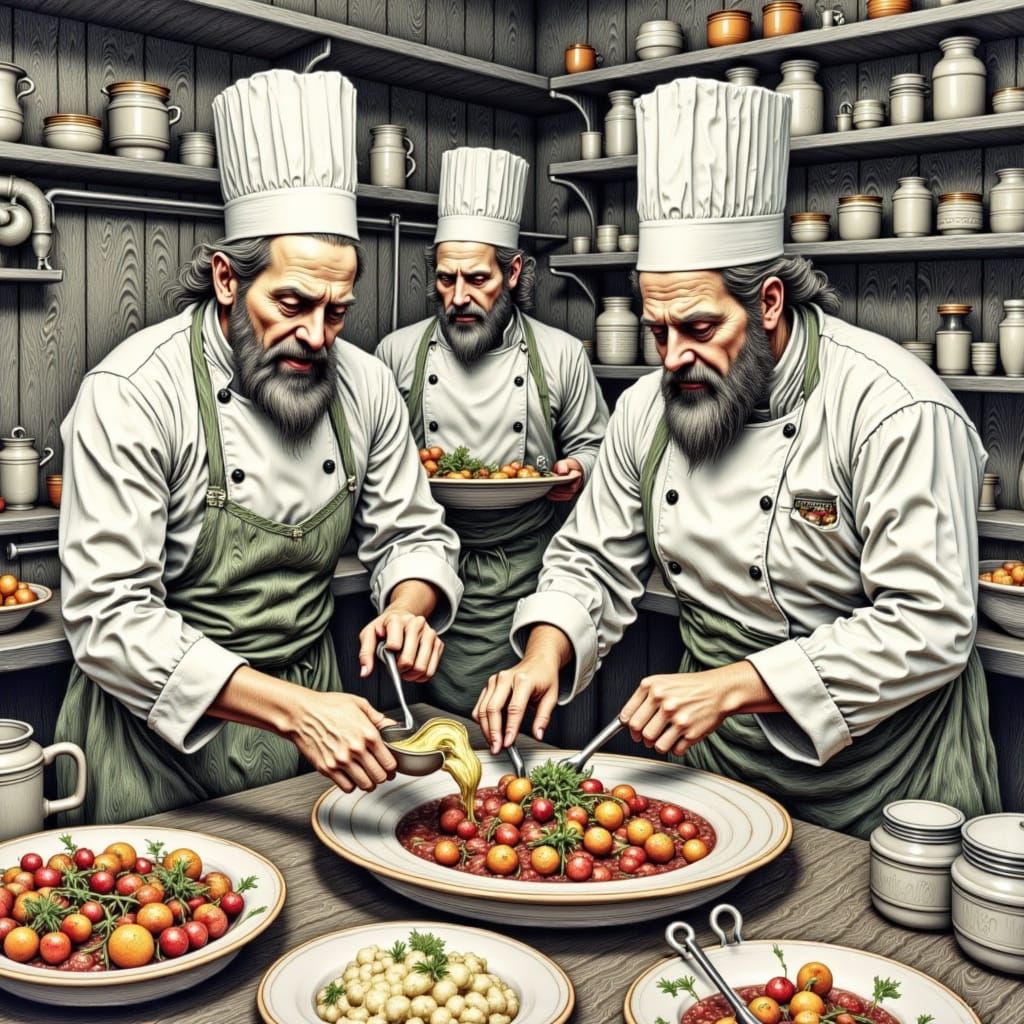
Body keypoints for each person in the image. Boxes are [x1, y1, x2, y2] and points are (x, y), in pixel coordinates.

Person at [473, 77, 1001, 838]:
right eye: (659, 332)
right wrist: (544, 655)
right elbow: (591, 559)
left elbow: (929, 624)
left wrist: (738, 684)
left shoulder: (892, 407)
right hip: (725, 763)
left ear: (770, 305)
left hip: (891, 776)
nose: (674, 358)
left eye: (696, 327)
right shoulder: (649, 410)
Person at [55, 69, 462, 825]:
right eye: (293, 303)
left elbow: (413, 530)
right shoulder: (135, 393)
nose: (317, 335)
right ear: (225, 280)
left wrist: (410, 602)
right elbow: (110, 620)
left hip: (312, 738)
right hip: (155, 751)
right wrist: (294, 709)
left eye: (337, 311)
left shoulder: (365, 387)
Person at [376, 147, 608, 713]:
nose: (458, 297)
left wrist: (579, 470)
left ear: (512, 272)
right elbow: (378, 470)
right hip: (424, 569)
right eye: (445, 278)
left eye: (477, 279)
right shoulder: (397, 353)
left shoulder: (558, 356)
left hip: (532, 570)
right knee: (435, 735)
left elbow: (596, 447)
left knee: (525, 732)